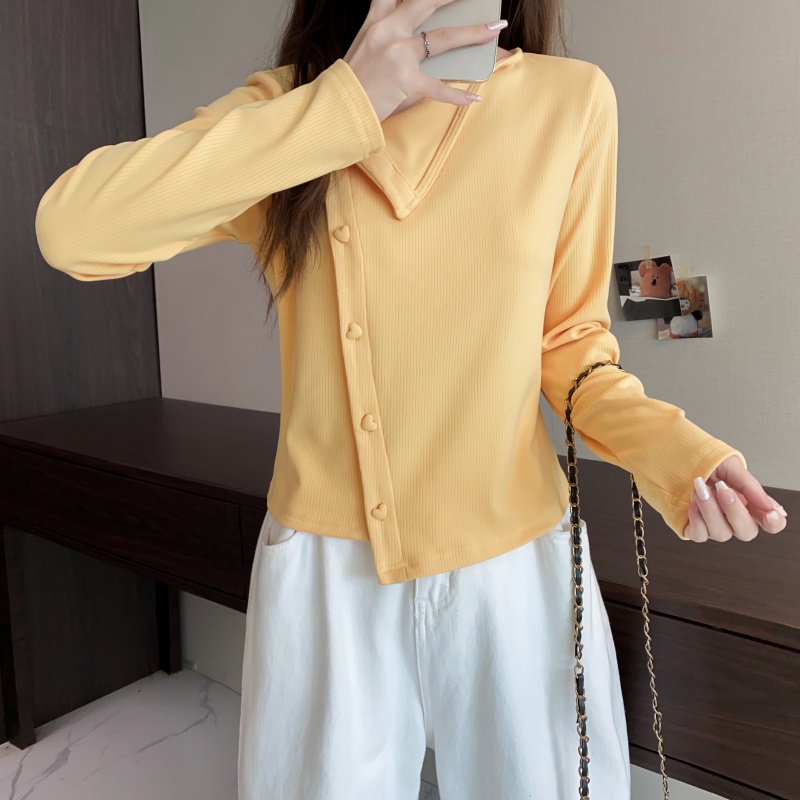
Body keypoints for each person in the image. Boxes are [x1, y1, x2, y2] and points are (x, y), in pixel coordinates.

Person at [34, 0, 788, 797]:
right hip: (325, 572)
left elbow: (570, 345)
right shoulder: (292, 105)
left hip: (512, 560)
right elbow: (73, 230)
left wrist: (673, 452)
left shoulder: (569, 101)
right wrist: (342, 104)